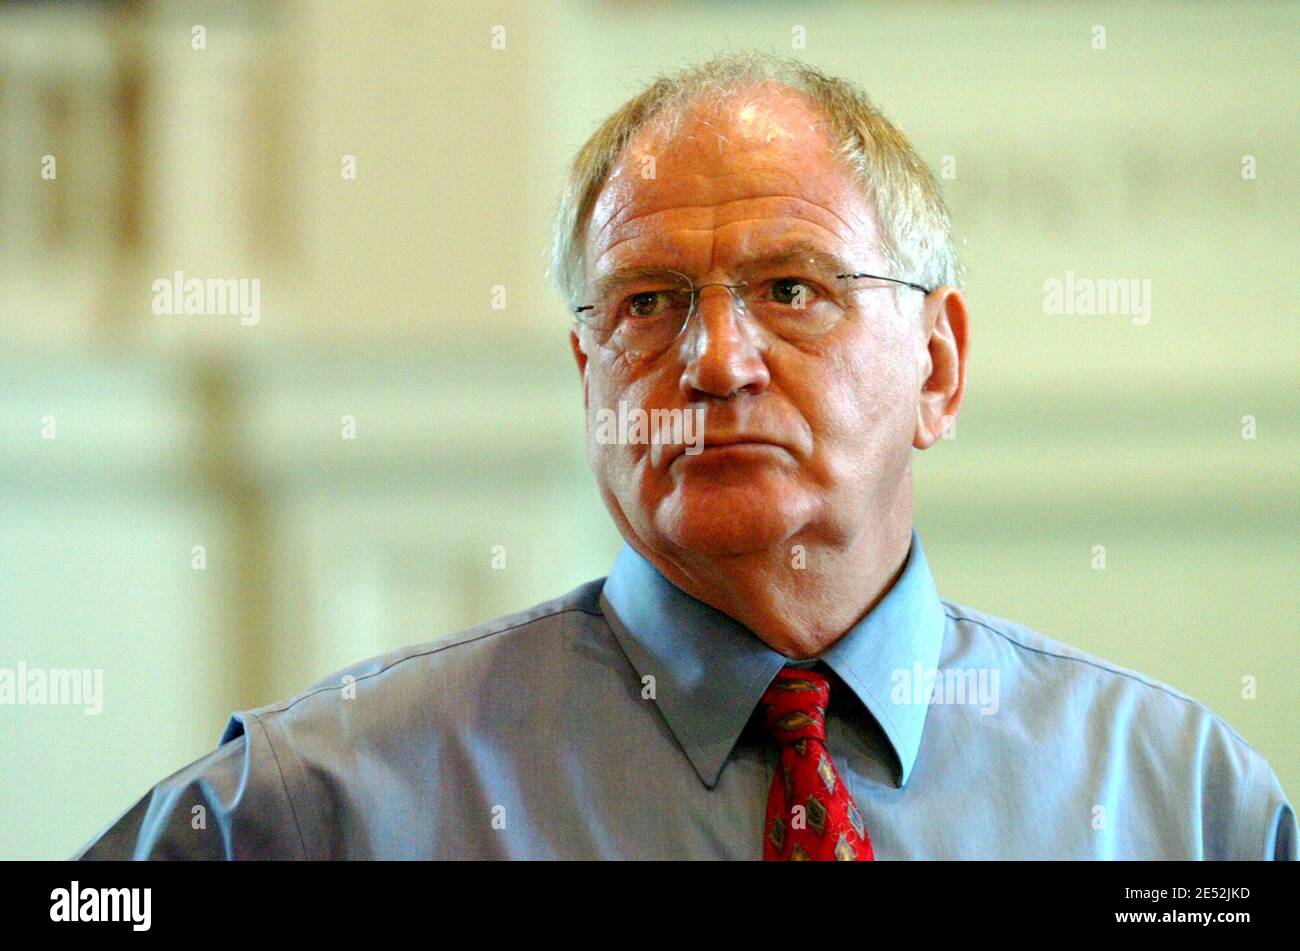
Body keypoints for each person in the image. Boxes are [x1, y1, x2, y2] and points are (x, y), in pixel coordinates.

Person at [75, 52, 1295, 861]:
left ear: (936, 365)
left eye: (789, 287)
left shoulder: (1179, 812)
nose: (714, 360)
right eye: (649, 302)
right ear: (590, 379)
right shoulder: (331, 805)